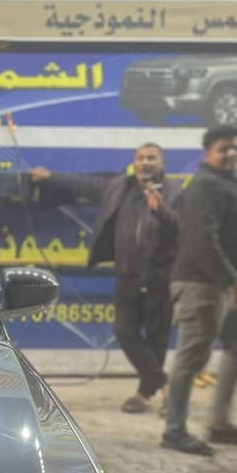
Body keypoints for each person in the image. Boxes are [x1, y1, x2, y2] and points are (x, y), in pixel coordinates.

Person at [30, 143, 180, 413]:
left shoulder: (175, 192)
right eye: (141, 158)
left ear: (162, 164)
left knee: (156, 340)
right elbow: (85, 185)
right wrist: (51, 176)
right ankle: (164, 384)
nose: (145, 162)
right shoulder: (118, 187)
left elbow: (181, 229)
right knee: (124, 332)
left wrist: (160, 208)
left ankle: (145, 395)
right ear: (135, 162)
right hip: (126, 276)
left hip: (159, 278)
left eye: (151, 158)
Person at [161, 126, 237, 456]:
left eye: (234, 148)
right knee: (191, 358)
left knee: (233, 348)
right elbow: (203, 240)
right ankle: (174, 432)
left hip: (218, 282)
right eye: (224, 148)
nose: (231, 153)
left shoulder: (225, 183)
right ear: (209, 152)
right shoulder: (206, 186)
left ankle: (219, 423)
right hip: (201, 284)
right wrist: (231, 280)